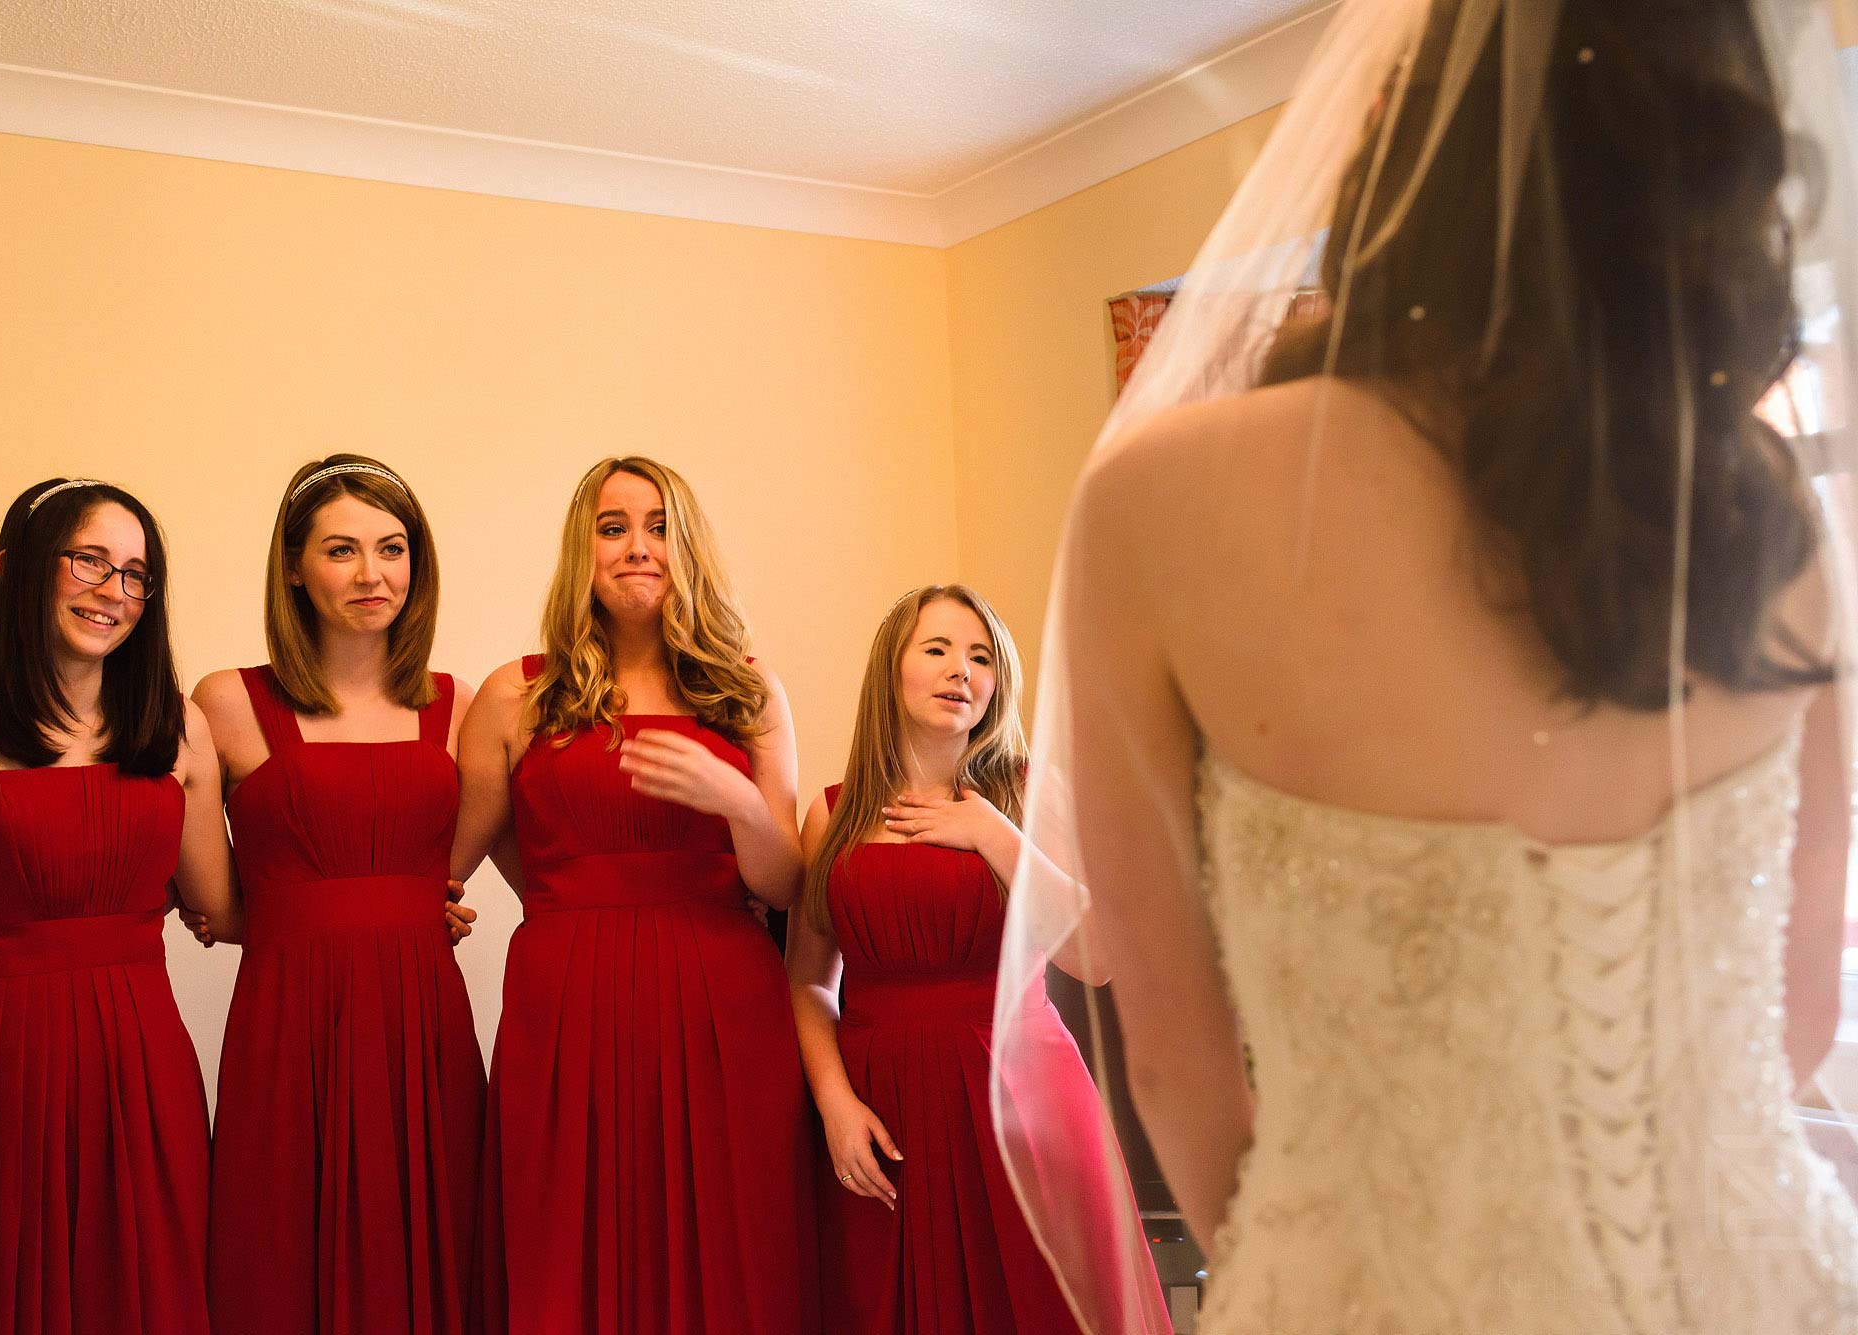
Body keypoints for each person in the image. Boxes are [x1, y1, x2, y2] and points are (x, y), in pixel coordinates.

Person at [992, 1, 1858, 1331]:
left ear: (1399, 144)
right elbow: (1797, 1006)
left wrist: (1344, 1255)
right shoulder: (1775, 522)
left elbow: (1168, 1052)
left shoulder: (1159, 505)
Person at [454, 456, 815, 1333]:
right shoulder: (519, 692)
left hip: (722, 1000)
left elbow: (787, 883)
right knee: (565, 1235)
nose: (636, 547)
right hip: (567, 997)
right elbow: (463, 850)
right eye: (612, 528)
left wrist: (732, 799)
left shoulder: (747, 689)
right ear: (583, 550)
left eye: (658, 527)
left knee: (732, 1243)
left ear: (687, 548)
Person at [0, 478, 230, 1333]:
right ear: (14, 568)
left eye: (138, 574)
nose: (116, 592)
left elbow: (228, 908)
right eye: (91, 560)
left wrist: (401, 901)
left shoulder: (177, 731)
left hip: (143, 1090)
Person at [789, 585, 1169, 1334]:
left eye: (981, 655)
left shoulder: (1030, 795)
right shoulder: (832, 814)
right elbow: (807, 978)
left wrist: (992, 832)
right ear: (890, 670)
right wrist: (834, 1104)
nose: (961, 668)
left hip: (1021, 1099)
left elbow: (1096, 960)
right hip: (881, 1109)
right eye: (937, 649)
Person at [196, 455, 486, 1333]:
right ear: (292, 564)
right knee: (279, 1251)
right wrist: (333, 918)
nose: (373, 574)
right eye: (342, 550)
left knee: (444, 1250)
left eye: (393, 549)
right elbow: (215, 902)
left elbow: (531, 849)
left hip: (423, 1021)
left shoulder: (459, 703)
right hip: (290, 1023)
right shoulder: (226, 702)